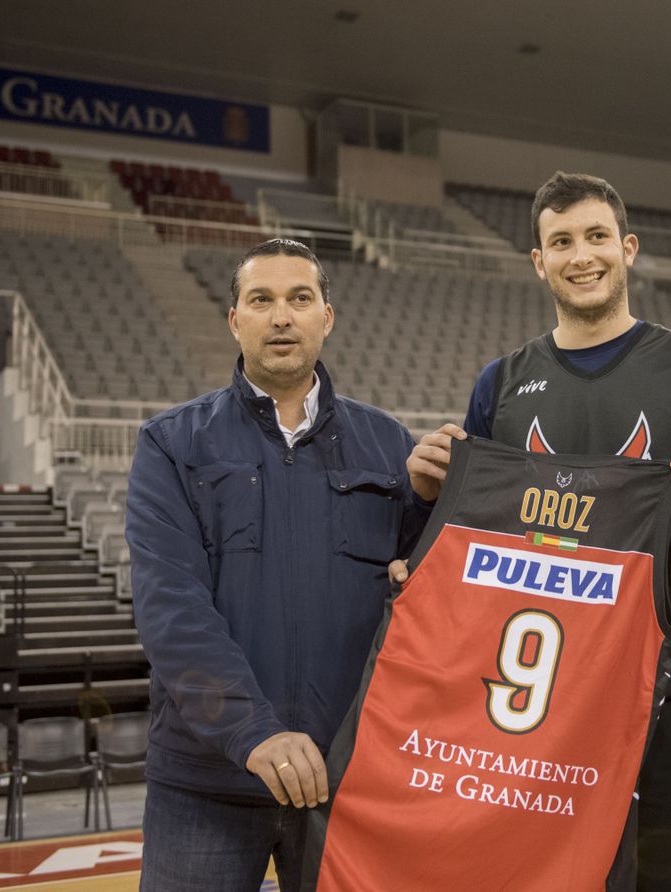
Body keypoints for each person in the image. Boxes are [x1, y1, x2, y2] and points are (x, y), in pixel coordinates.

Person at [406, 172, 671, 891]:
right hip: (542, 702)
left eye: (597, 236)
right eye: (561, 242)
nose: (583, 255)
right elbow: (471, 553)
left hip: (669, 690)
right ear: (538, 262)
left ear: (628, 247)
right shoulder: (500, 385)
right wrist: (423, 499)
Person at [126, 238, 429, 892]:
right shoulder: (172, 444)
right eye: (261, 300)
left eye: (299, 298)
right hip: (207, 782)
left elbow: (432, 592)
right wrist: (253, 733)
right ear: (236, 320)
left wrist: (442, 499)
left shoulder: (390, 447)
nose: (282, 316)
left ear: (328, 316)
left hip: (348, 779)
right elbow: (170, 608)